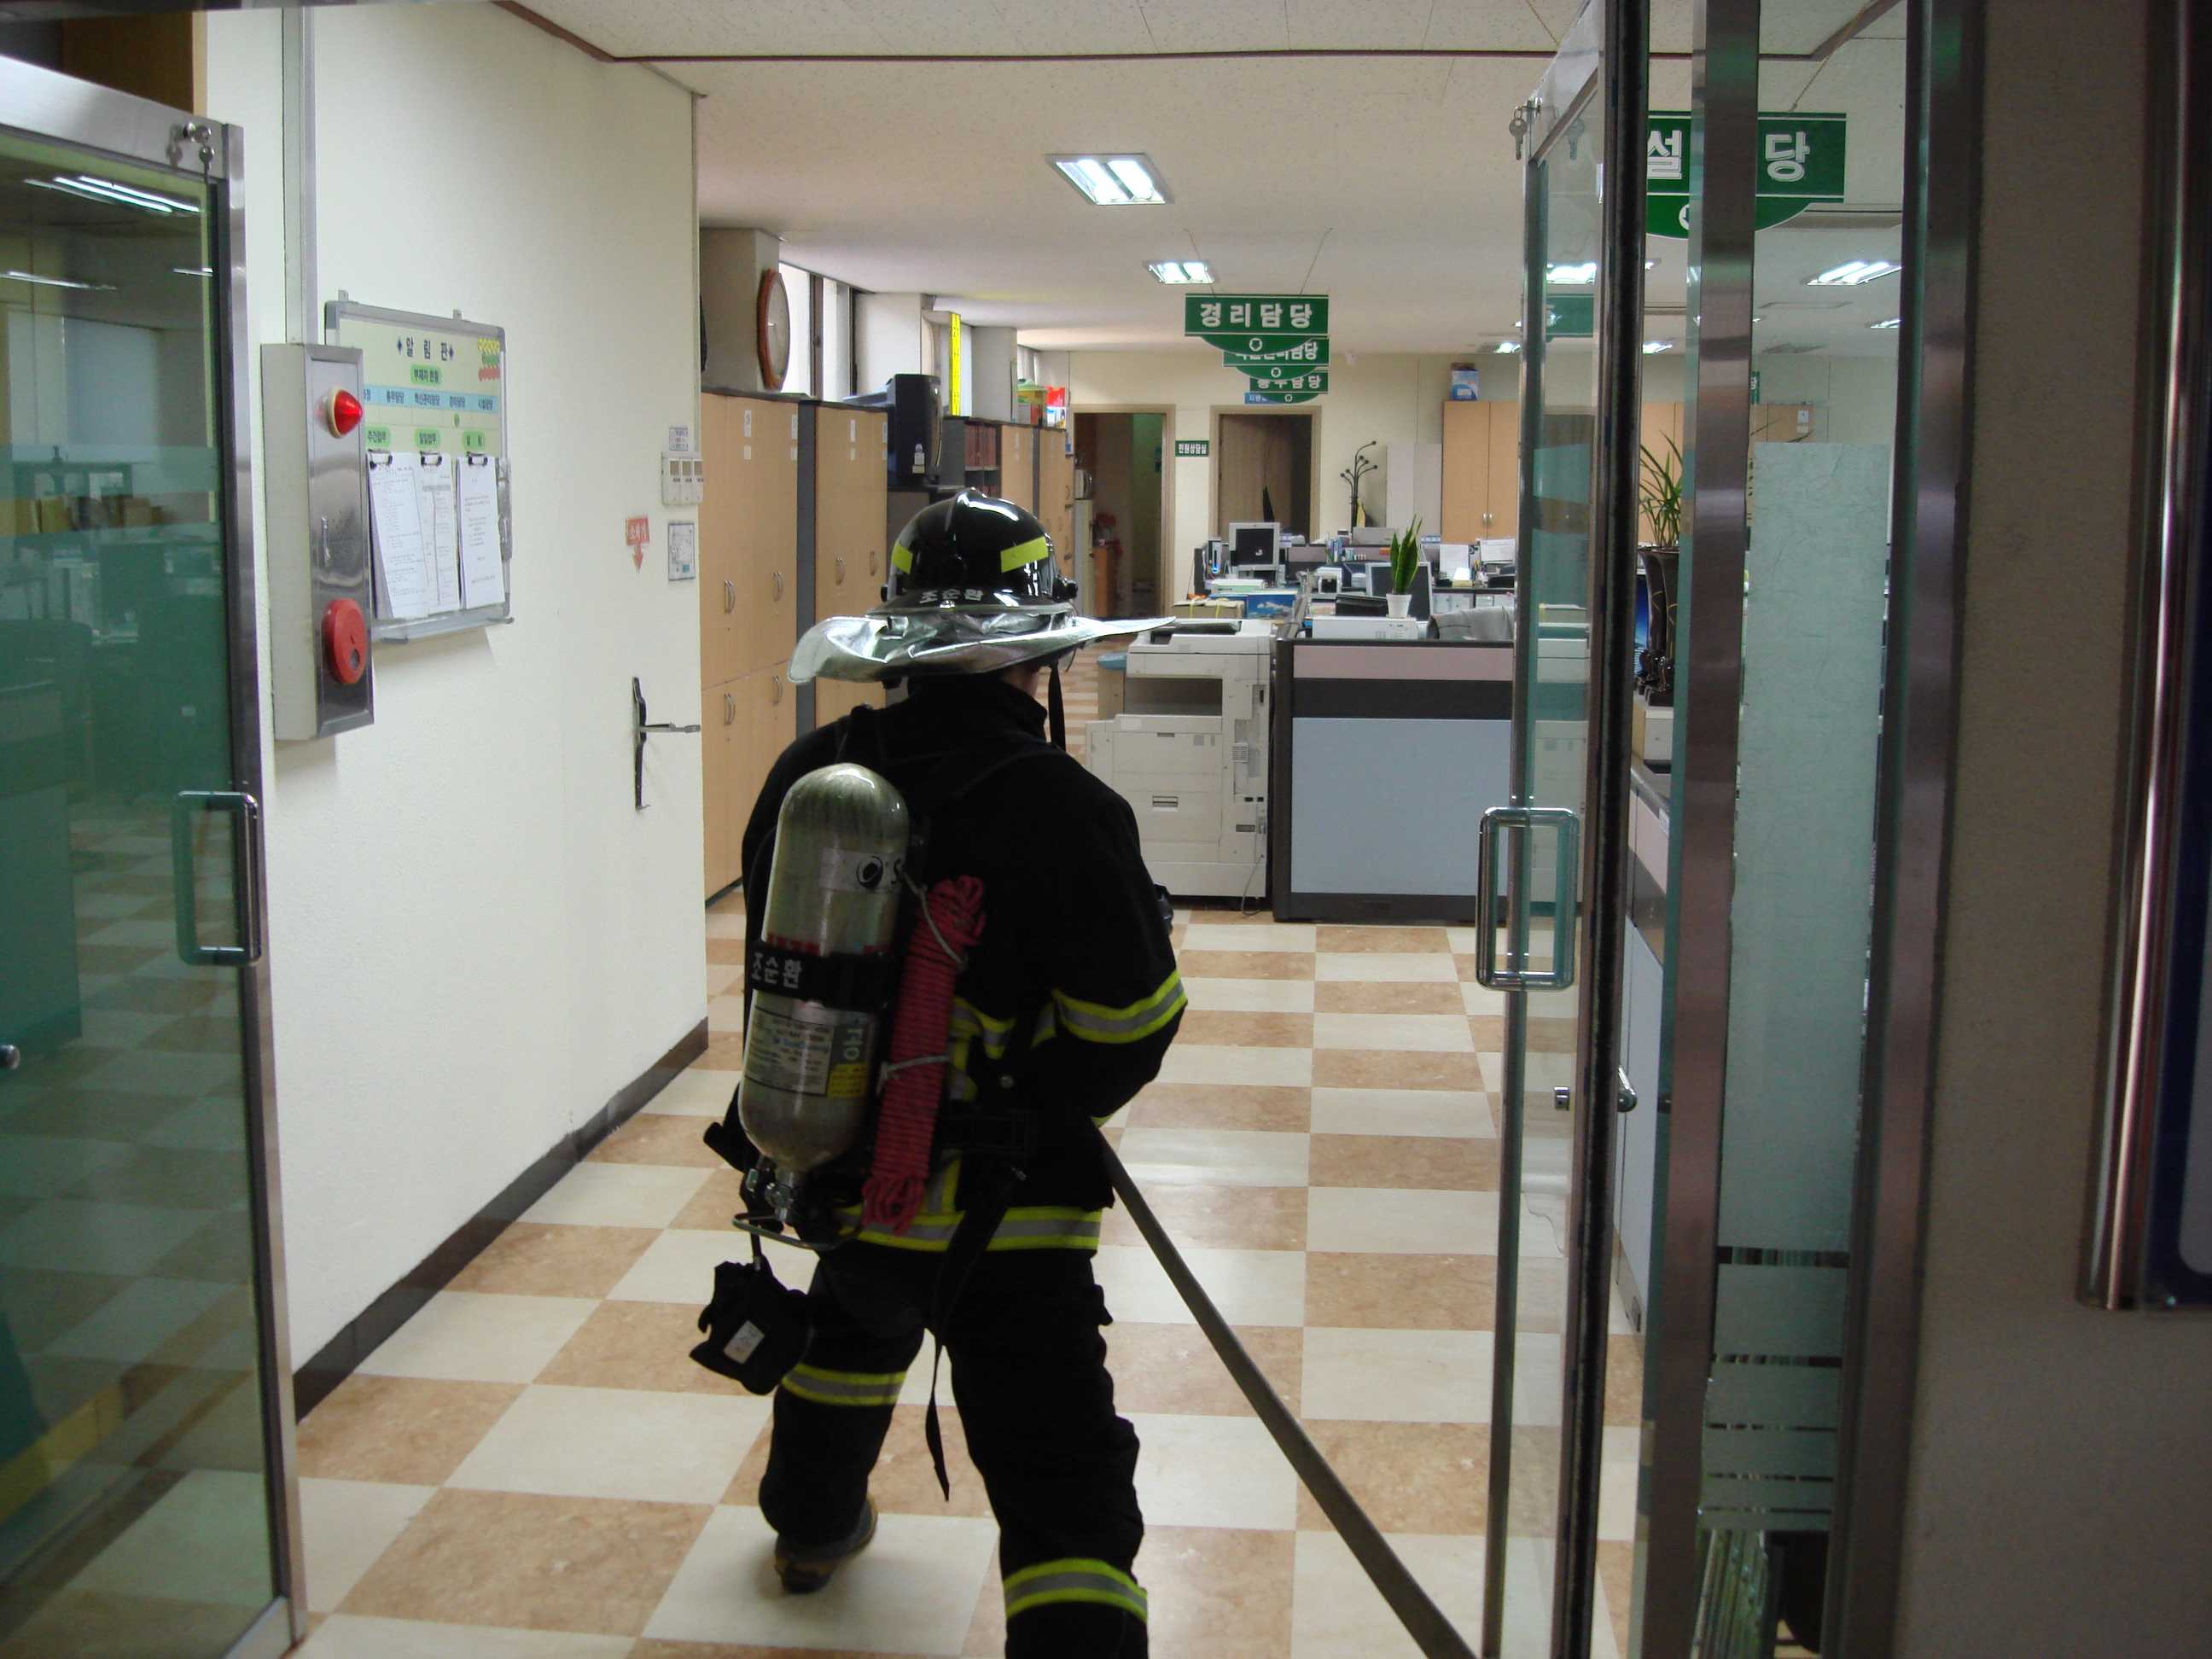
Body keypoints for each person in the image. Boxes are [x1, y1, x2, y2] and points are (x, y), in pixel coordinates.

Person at [738, 490, 1184, 1658]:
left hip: (841, 1171)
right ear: (1039, 654)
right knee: (1062, 1473)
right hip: (1011, 1214)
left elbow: (774, 980)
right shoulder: (1066, 807)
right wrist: (1015, 1115)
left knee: (849, 1336)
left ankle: (810, 1533)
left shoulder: (812, 775)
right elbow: (1130, 1025)